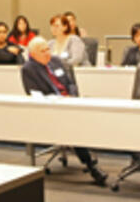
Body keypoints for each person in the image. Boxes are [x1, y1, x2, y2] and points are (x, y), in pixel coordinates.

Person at [21, 36, 107, 186]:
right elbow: (34, 93)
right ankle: (91, 166)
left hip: (69, 102)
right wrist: (58, 101)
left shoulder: (55, 61)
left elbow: (70, 82)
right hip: (51, 108)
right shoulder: (29, 69)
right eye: (43, 51)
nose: (48, 53)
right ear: (33, 55)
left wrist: (72, 96)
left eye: (48, 49)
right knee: (72, 125)